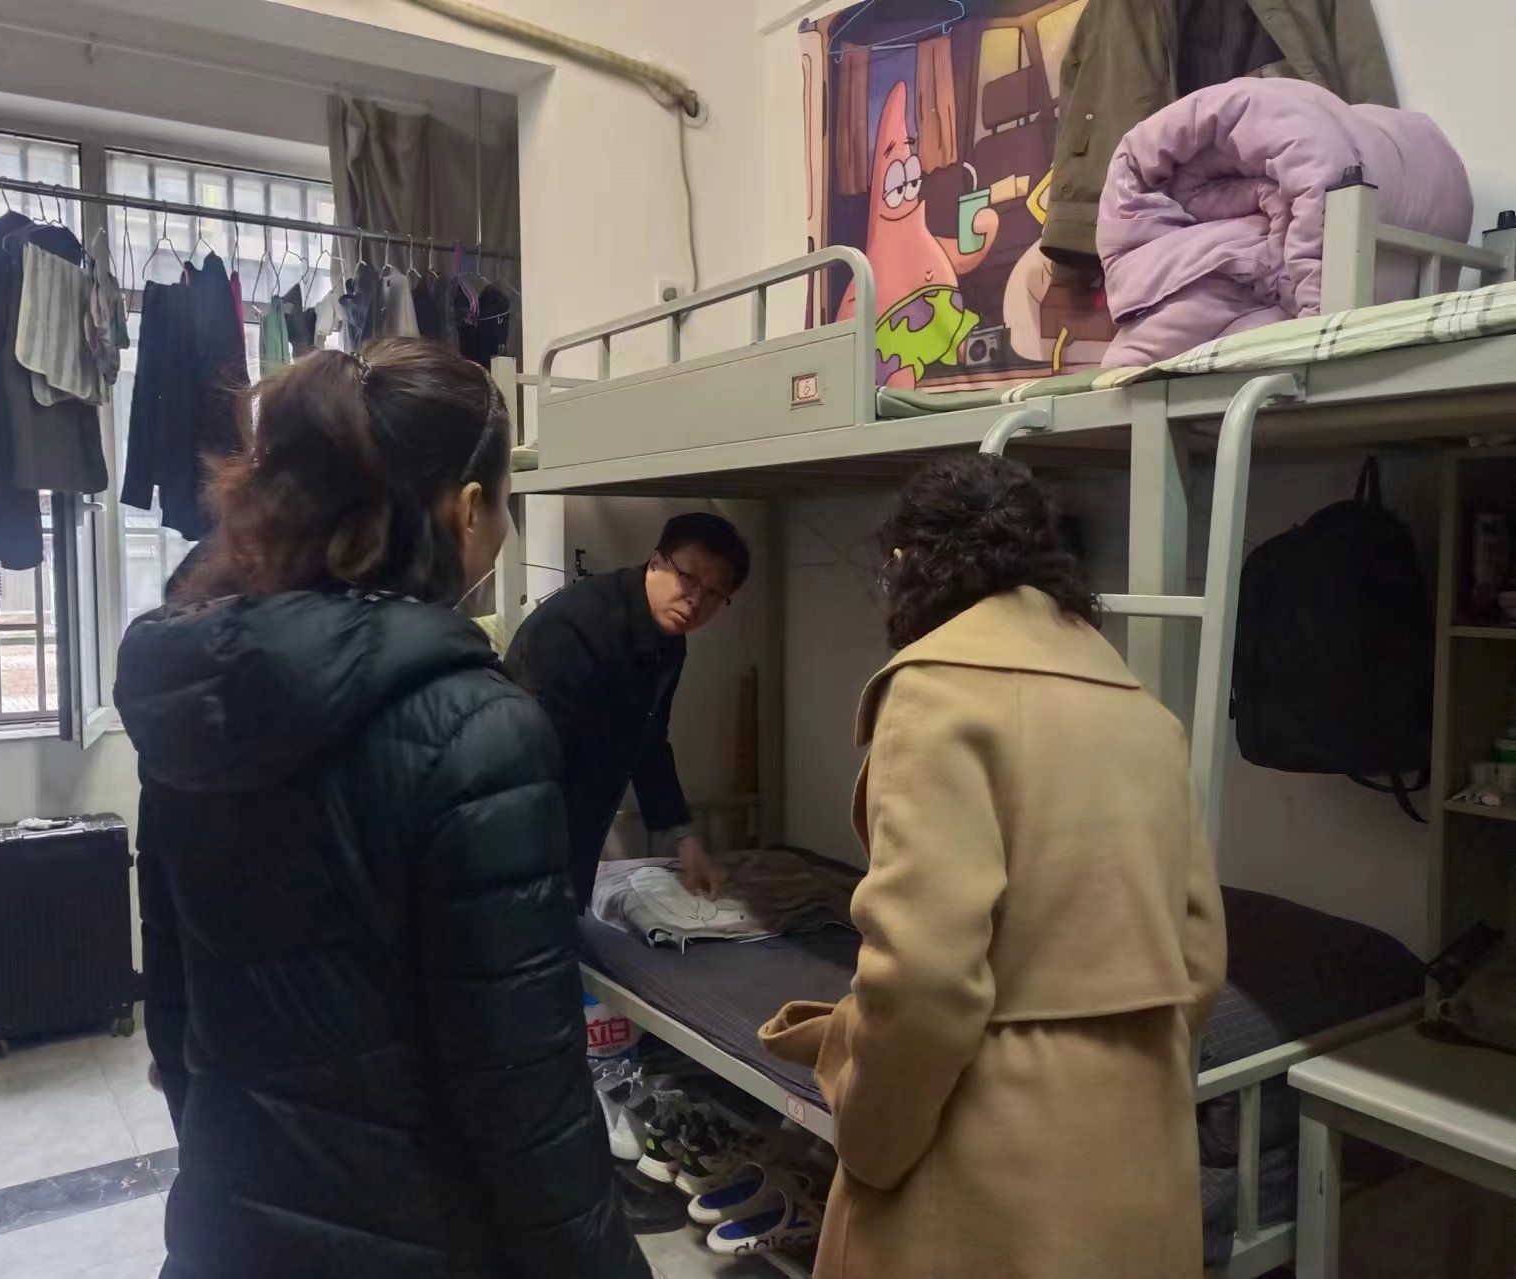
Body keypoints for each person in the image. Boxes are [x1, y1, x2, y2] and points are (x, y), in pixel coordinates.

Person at [114, 338, 647, 1279]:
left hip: (227, 1220)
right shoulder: (479, 731)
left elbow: (174, 997)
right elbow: (524, 1099)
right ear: (468, 509)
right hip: (415, 1238)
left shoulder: (197, 692)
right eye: (506, 501)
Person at [761, 453, 1226, 1279]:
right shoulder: (1146, 714)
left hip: (983, 1162)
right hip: (1137, 1150)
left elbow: (925, 979)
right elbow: (1199, 959)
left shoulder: (936, 695)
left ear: (908, 564)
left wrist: (868, 1139)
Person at [505, 512, 749, 908]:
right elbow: (533, 755)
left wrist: (685, 840)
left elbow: (648, 739)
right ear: (656, 561)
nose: (695, 601)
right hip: (526, 820)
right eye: (688, 578)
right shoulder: (576, 626)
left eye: (713, 594)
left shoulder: (668, 640)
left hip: (574, 821)